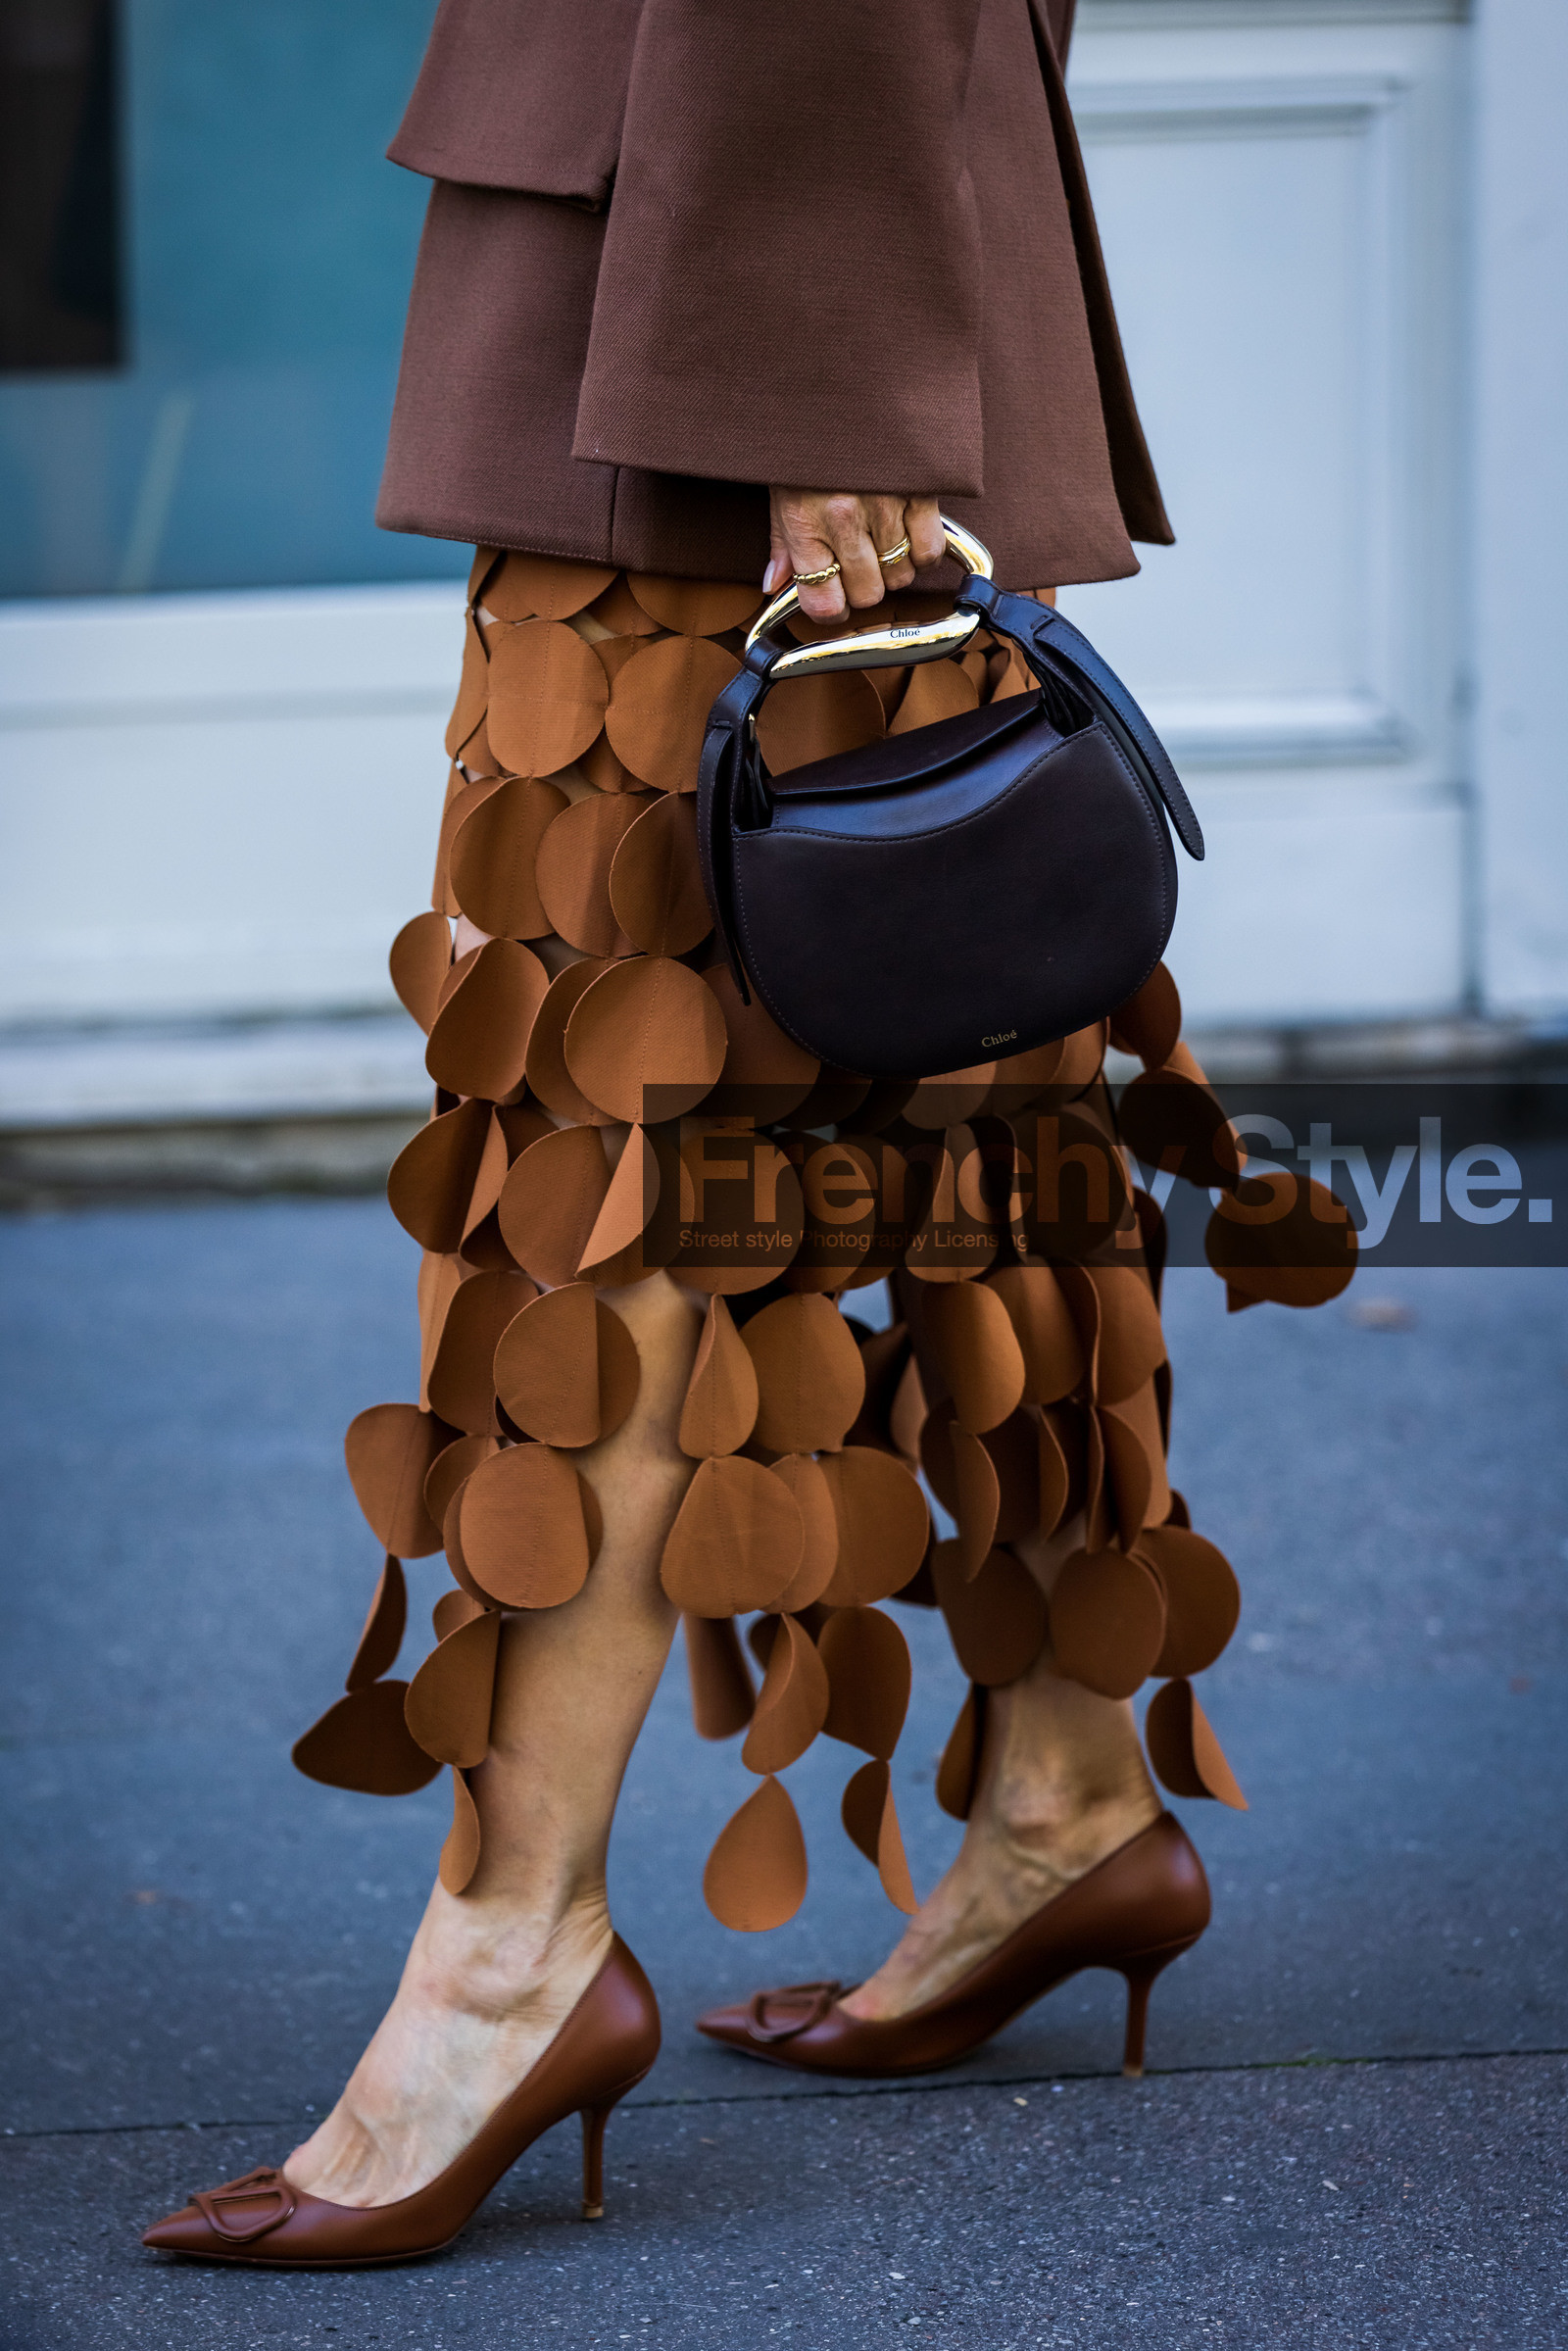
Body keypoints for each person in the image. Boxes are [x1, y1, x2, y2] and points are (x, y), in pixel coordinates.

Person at [142, 0, 1348, 2267]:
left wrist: (817, 373)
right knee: (964, 1049)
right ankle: (1067, 1788)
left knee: (594, 1159)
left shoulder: (790, 351)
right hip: (805, 262)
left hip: (733, 299)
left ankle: (509, 1960)